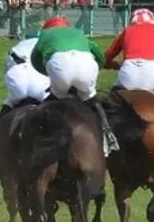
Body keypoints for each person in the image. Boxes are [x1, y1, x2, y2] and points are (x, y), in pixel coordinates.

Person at [30, 16, 118, 154]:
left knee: (52, 101)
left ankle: (38, 137)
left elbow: (34, 60)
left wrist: (49, 74)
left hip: (60, 67)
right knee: (92, 100)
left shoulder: (45, 34)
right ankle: (108, 135)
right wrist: (95, 70)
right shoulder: (78, 32)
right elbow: (100, 56)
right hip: (87, 66)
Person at [0, 35, 51, 144]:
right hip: (41, 80)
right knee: (53, 102)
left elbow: (7, 68)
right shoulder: (51, 45)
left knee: (9, 101)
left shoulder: (20, 45)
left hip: (18, 75)